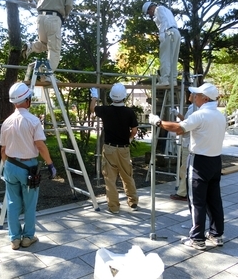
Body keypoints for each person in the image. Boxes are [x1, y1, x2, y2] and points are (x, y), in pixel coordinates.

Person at [148, 82, 225, 250]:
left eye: (196, 95)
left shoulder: (201, 115)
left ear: (205, 98)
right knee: (214, 200)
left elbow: (179, 128)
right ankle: (216, 234)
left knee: (197, 201)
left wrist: (158, 122)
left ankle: (197, 238)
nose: (194, 97)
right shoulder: (220, 115)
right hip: (215, 160)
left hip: (199, 161)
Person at [0, 82, 56, 250]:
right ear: (27, 100)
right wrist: (50, 164)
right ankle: (28, 237)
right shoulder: (33, 121)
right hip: (28, 168)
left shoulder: (6, 122)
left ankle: (15, 239)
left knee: (12, 203)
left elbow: (3, 149)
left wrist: (6, 166)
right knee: (30, 204)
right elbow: (40, 145)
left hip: (10, 165)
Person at [90, 83, 139, 214]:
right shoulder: (129, 112)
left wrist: (94, 96)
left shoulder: (105, 110)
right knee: (127, 176)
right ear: (124, 97)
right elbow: (134, 131)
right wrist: (128, 138)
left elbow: (92, 109)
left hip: (109, 148)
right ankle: (133, 201)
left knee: (110, 179)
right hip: (124, 148)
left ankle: (114, 207)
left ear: (111, 96)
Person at [23, 0, 74, 81]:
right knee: (54, 49)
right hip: (54, 18)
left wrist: (32, 2)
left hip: (40, 18)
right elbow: (69, 3)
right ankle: (47, 75)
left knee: (45, 44)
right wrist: (65, 16)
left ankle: (31, 47)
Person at [142, 1, 181, 86]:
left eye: (149, 12)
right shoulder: (166, 10)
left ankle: (164, 79)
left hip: (168, 32)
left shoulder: (158, 9)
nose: (150, 14)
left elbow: (164, 21)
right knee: (173, 58)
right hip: (176, 32)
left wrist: (162, 33)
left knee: (165, 57)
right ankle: (173, 79)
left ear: (150, 7)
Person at [170, 92, 196, 201]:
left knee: (185, 168)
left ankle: (182, 193)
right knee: (185, 168)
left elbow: (186, 127)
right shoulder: (192, 107)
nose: (189, 94)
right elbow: (186, 120)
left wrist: (174, 131)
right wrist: (177, 114)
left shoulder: (195, 109)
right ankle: (186, 191)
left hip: (189, 143)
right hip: (189, 142)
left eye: (192, 93)